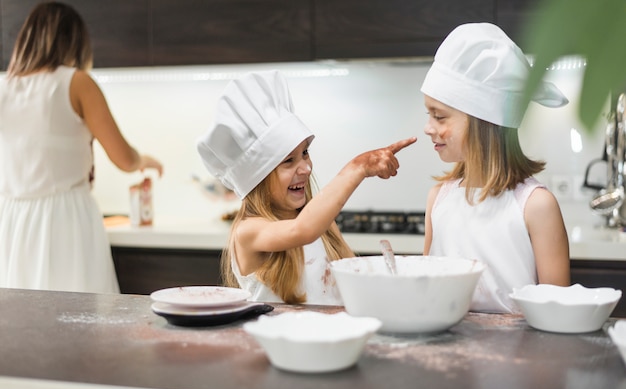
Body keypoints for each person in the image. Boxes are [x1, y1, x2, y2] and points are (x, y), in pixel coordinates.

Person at [197, 70, 416, 305]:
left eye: (305, 153)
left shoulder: (322, 223)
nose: (305, 168)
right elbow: (301, 231)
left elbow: (348, 286)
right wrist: (359, 167)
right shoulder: (248, 231)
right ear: (257, 178)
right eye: (288, 161)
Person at [0, 2, 163, 293]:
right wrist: (144, 160)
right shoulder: (77, 82)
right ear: (75, 41)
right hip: (64, 218)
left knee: (22, 323)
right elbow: (124, 158)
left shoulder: (4, 88)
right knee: (78, 321)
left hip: (12, 219)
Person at [420, 22, 571, 313]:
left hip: (518, 354)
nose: (428, 128)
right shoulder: (438, 198)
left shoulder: (536, 205)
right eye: (429, 115)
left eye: (439, 116)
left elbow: (558, 312)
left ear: (483, 122)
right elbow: (426, 289)